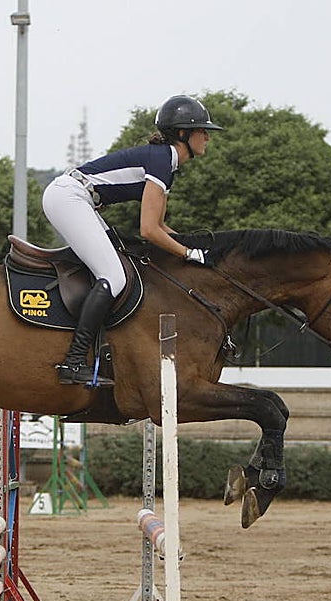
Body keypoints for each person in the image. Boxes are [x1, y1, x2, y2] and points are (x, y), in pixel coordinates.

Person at [43, 94, 223, 385]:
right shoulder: (162, 161)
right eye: (203, 131)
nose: (208, 138)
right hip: (69, 197)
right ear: (182, 134)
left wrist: (194, 249)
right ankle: (74, 361)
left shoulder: (166, 163)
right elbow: (149, 231)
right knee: (114, 276)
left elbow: (162, 227)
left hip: (77, 198)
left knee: (119, 262)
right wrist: (189, 254)